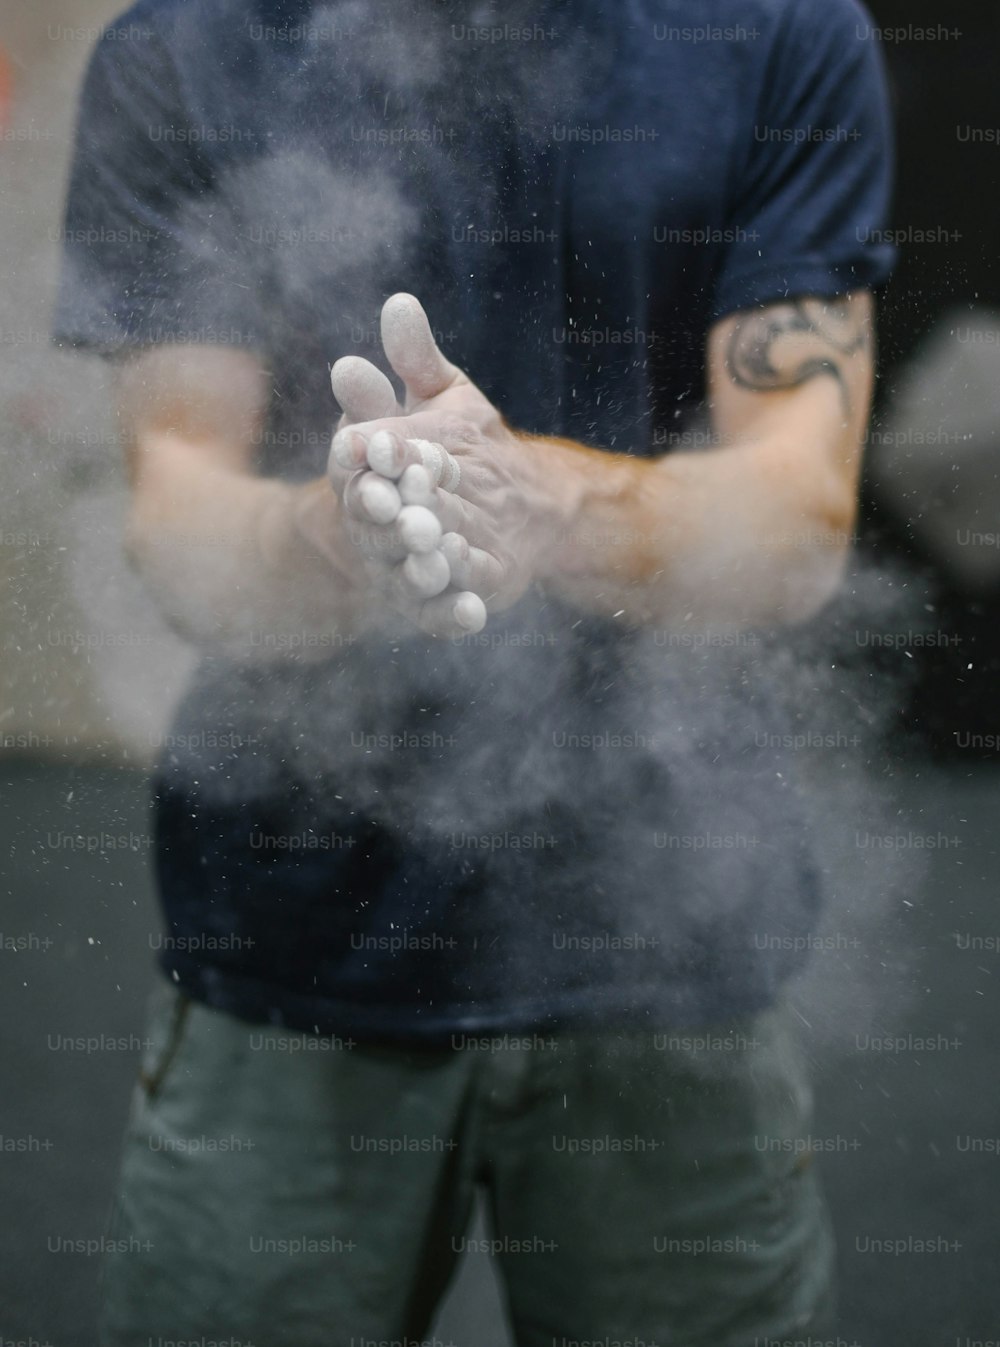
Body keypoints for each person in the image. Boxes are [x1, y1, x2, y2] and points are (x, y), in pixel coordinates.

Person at [53, 0, 895, 1343]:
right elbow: (178, 519)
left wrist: (527, 503)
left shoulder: (778, 30)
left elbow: (798, 523)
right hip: (293, 943)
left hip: (669, 942)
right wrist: (340, 533)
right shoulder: (188, 46)